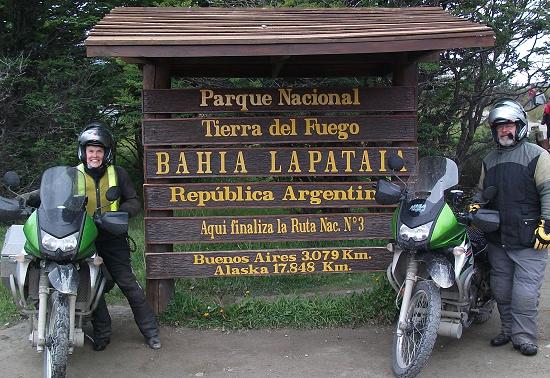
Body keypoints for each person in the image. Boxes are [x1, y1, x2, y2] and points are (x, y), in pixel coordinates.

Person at [470, 99, 550, 356]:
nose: (505, 130)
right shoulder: (489, 160)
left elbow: (548, 191)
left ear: (521, 126)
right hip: (497, 238)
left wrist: (547, 224)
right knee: (501, 290)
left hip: (529, 238)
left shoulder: (538, 156)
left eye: (509, 125)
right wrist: (475, 206)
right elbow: (482, 192)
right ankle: (506, 330)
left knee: (524, 294)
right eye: (500, 127)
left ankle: (524, 337)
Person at [77, 122, 161, 351]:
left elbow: (134, 200)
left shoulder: (118, 173)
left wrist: (120, 214)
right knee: (92, 285)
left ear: (106, 153)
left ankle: (151, 332)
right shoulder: (72, 174)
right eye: (91, 150)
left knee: (128, 283)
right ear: (83, 152)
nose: (94, 155)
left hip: (113, 236)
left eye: (99, 151)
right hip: (83, 239)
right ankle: (102, 332)